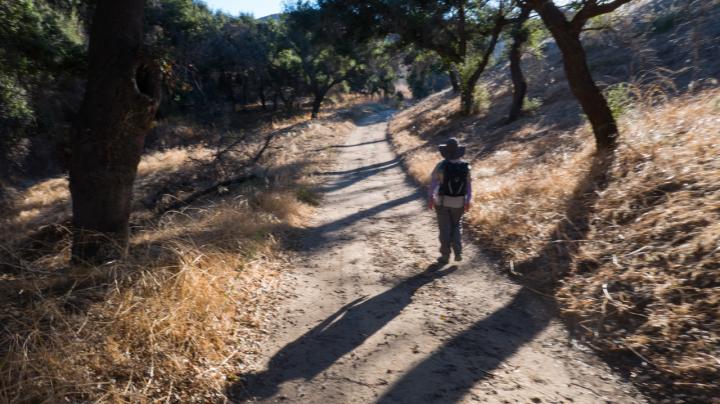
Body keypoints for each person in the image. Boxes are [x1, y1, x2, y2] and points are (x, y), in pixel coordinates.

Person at [428, 138, 472, 264]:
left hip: (442, 202)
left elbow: (432, 183)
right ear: (459, 152)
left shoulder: (441, 166)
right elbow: (469, 187)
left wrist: (430, 198)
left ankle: (445, 256)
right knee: (456, 226)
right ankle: (458, 252)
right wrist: (468, 200)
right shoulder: (466, 166)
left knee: (444, 229)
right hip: (459, 202)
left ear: (445, 152)